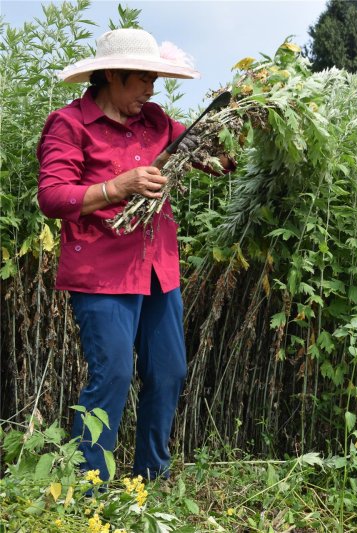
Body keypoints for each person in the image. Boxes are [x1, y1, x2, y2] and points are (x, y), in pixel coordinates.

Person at [37, 28, 231, 480]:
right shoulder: (70, 124)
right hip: (101, 272)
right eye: (141, 79)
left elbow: (217, 161)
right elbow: (52, 195)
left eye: (153, 80)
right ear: (110, 74)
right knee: (113, 377)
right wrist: (115, 187)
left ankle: (151, 478)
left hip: (157, 270)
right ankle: (88, 487)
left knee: (168, 372)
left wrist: (237, 126)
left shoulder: (158, 122)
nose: (150, 89)